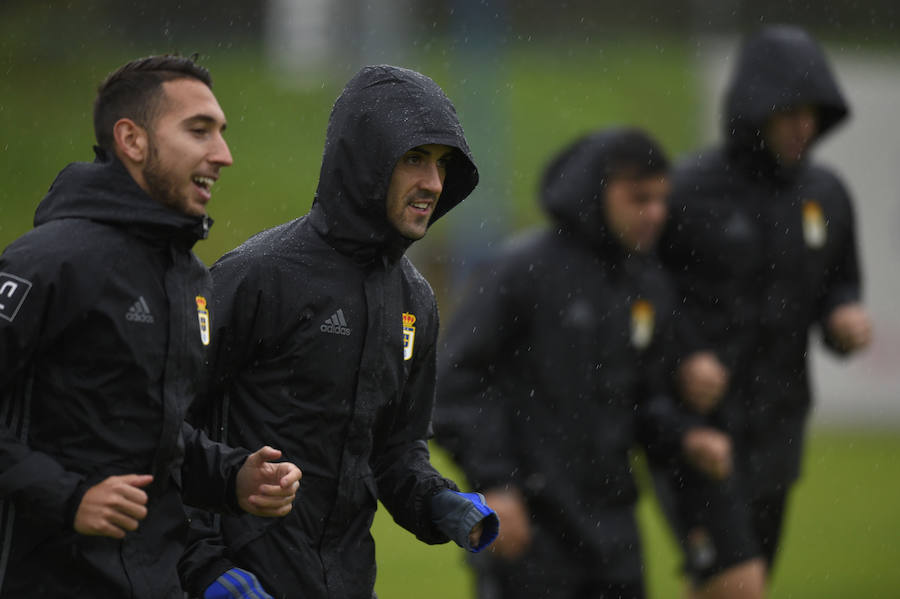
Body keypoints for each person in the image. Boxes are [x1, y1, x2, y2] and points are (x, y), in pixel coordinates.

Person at [178, 64, 499, 599]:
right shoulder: (259, 275)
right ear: (366, 161)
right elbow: (166, 429)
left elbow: (396, 452)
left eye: (443, 165)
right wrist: (203, 563)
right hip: (242, 584)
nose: (434, 184)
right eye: (415, 158)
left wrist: (438, 500)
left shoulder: (415, 301)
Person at [0, 55, 302, 598]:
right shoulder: (45, 263)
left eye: (222, 133)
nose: (223, 155)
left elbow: (153, 436)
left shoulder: (189, 279)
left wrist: (235, 477)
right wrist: (69, 497)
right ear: (132, 141)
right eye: (199, 130)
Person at [433, 128, 733, 599]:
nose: (655, 213)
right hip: (529, 529)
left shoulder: (647, 284)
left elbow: (644, 401)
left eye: (661, 199)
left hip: (614, 534)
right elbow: (454, 382)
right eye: (639, 198)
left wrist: (685, 435)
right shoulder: (522, 269)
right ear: (597, 191)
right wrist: (496, 484)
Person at [653, 24, 872, 597]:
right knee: (739, 582)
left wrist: (844, 318)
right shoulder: (687, 192)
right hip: (696, 428)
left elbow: (840, 284)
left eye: (814, 113)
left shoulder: (826, 194)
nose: (804, 126)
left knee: (741, 583)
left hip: (779, 424)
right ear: (754, 109)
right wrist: (682, 357)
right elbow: (639, 292)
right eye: (790, 112)